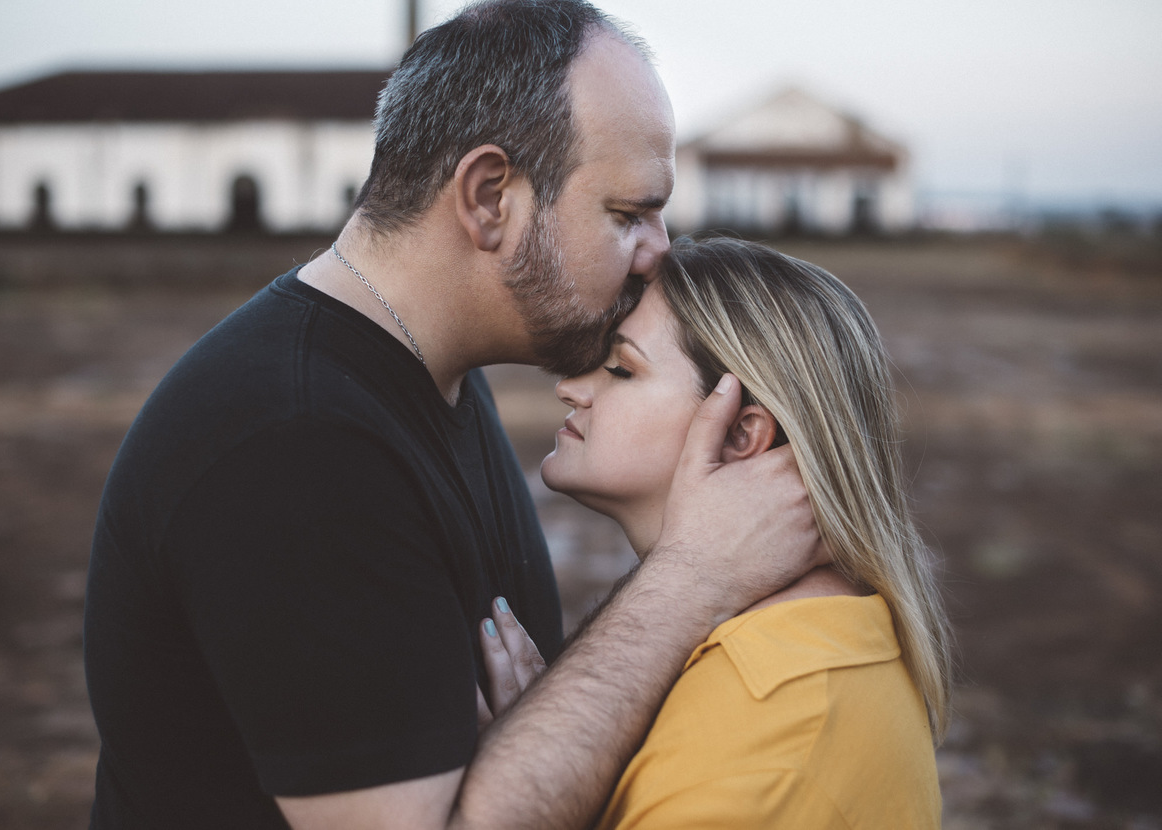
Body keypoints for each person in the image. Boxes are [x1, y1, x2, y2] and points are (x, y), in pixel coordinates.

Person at [82, 3, 823, 828]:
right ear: (489, 197)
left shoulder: (429, 380)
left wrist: (532, 736)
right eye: (629, 215)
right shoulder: (298, 443)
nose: (661, 251)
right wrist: (693, 581)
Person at [537, 236, 953, 828]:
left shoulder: (769, 736)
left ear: (739, 434)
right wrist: (549, 764)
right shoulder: (821, 638)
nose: (571, 387)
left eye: (621, 368)